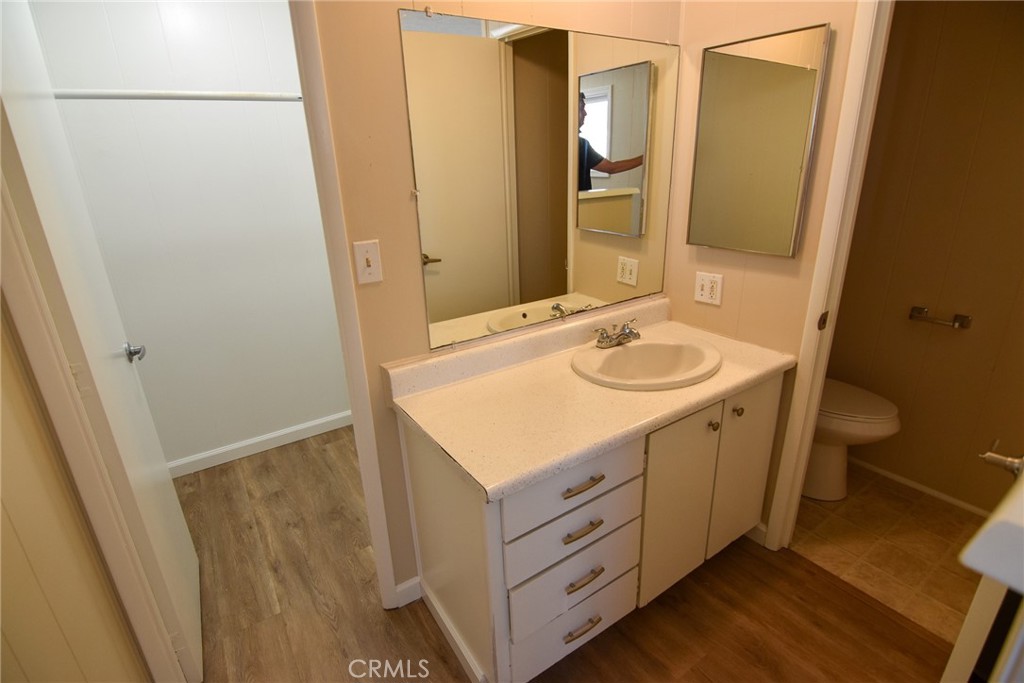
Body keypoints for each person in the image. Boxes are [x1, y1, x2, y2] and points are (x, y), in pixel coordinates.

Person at [578, 92, 644, 191]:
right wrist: (645, 158)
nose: (585, 113)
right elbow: (611, 168)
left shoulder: (580, 144)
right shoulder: (581, 145)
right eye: (582, 108)